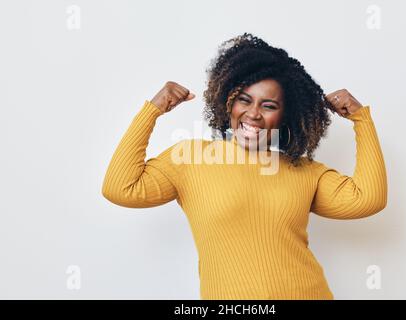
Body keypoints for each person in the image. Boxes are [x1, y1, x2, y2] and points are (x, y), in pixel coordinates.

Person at [102, 32, 387, 300]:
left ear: (286, 115)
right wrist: (152, 111)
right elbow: (121, 188)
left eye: (269, 105)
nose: (253, 114)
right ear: (227, 102)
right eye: (244, 100)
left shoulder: (304, 172)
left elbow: (368, 198)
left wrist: (362, 121)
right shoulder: (190, 159)